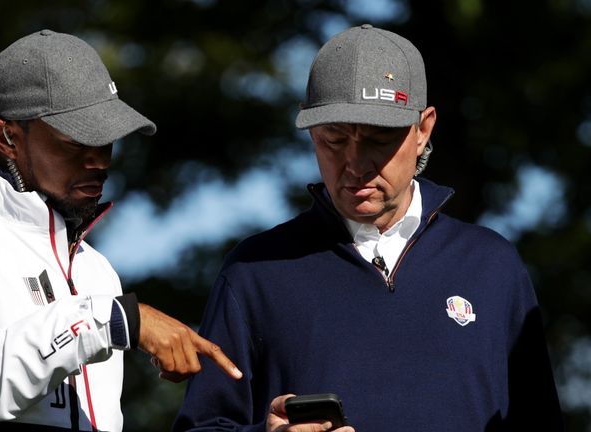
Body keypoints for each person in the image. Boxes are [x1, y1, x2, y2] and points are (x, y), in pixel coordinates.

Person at [173, 24, 563, 431]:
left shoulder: (493, 267)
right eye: (334, 140)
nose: (356, 165)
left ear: (423, 129)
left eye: (379, 139)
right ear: (310, 133)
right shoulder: (254, 271)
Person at [0, 29, 241, 432]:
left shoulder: (97, 270)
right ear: (6, 137)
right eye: (76, 143)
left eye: (108, 142)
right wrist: (110, 320)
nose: (99, 161)